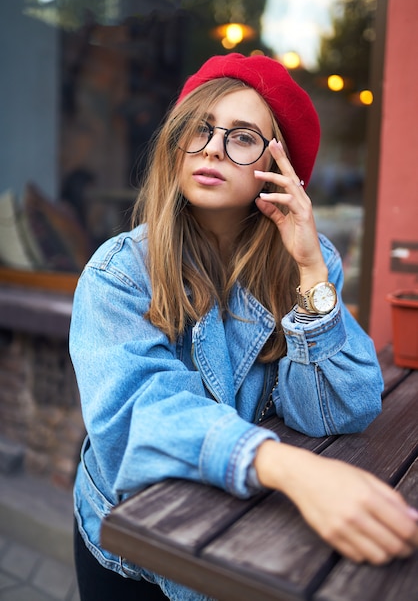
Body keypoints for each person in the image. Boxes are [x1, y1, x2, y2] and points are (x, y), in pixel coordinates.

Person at [69, 53, 418, 601]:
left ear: (278, 169)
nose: (212, 148)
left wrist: (309, 270)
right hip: (132, 551)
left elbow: (341, 407)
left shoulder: (304, 261)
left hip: (239, 534)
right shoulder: (119, 272)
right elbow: (141, 416)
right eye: (201, 129)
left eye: (242, 136)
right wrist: (288, 469)